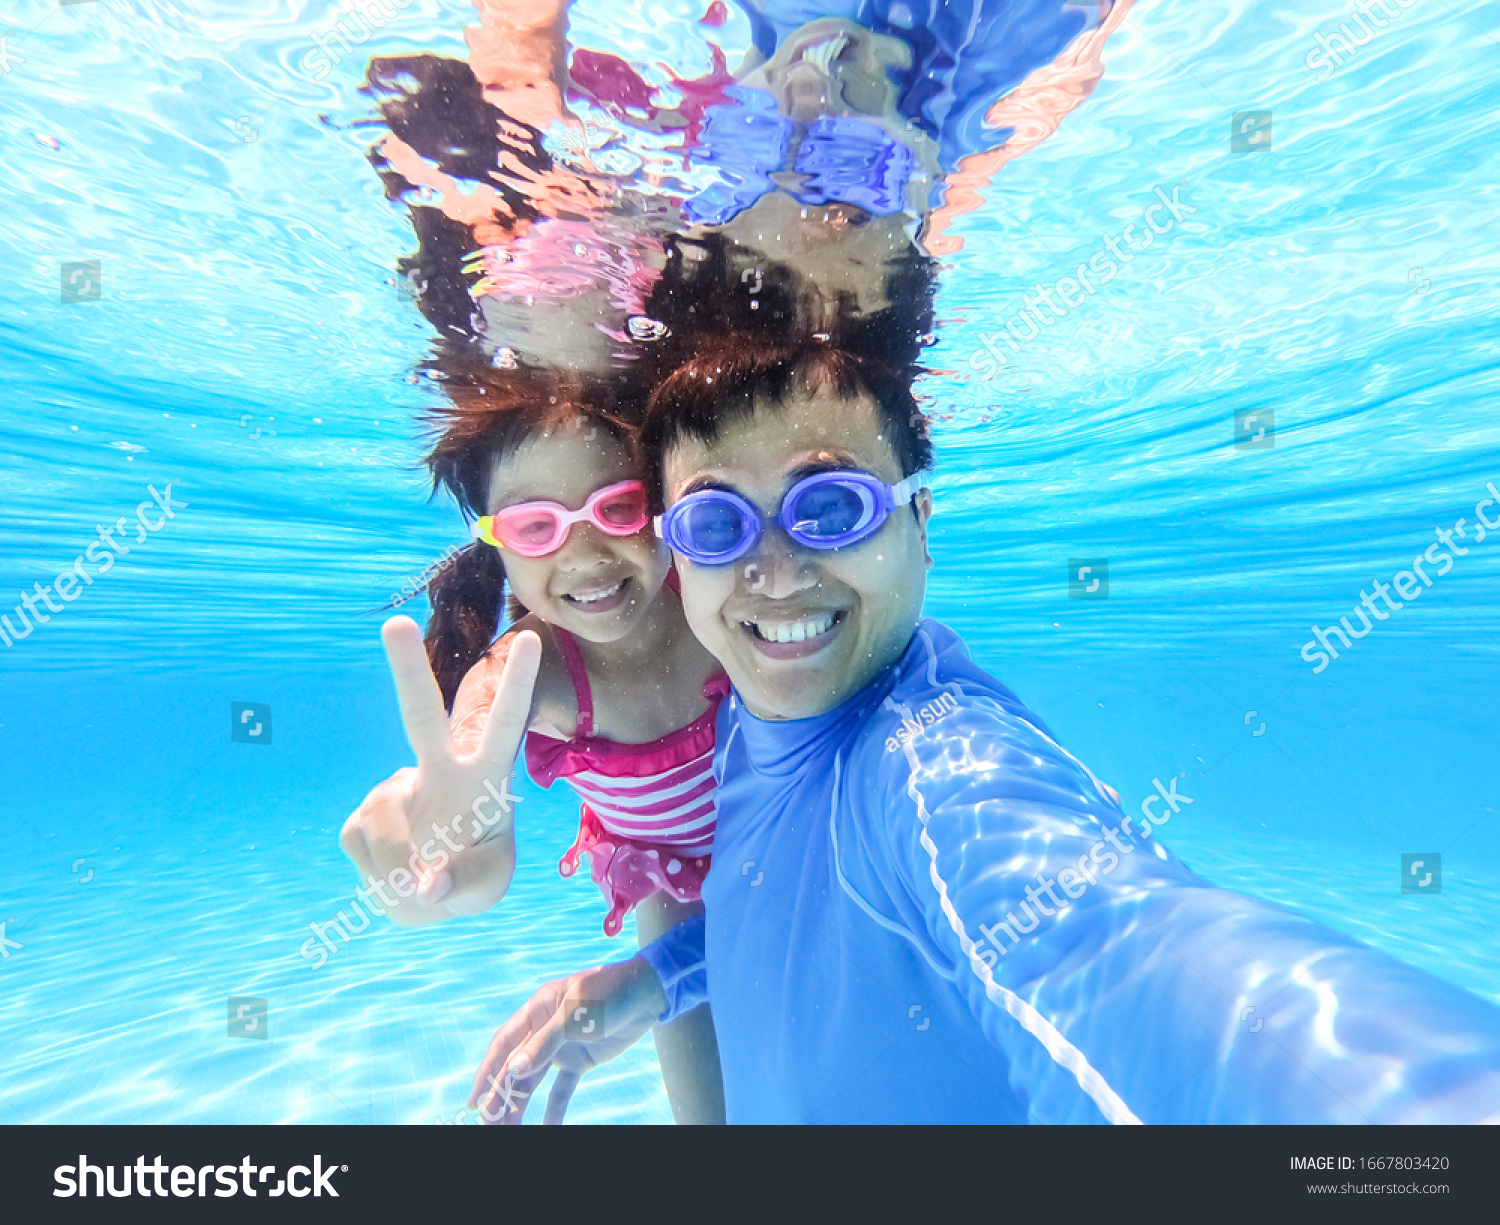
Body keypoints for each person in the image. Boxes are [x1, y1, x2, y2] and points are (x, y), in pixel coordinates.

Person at [469, 332, 1500, 1125]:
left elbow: (1143, 959)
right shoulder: (749, 702)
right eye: (716, 524)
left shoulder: (936, 765)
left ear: (921, 523)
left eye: (832, 510)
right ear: (676, 556)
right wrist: (655, 979)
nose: (773, 572)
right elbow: (786, 900)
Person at [339, 362, 726, 1124]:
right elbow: (476, 737)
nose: (582, 557)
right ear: (495, 541)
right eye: (535, 526)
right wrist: (451, 843)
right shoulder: (529, 669)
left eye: (619, 506)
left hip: (787, 853)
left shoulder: (711, 593)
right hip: (672, 885)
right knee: (710, 1122)